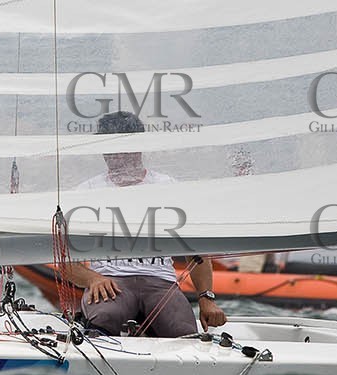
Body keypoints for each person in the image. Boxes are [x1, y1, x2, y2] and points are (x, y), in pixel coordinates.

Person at [61, 110, 227, 337]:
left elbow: (196, 252)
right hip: (110, 281)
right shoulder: (86, 192)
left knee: (183, 331)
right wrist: (93, 279)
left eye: (121, 149)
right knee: (104, 318)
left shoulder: (169, 187)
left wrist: (206, 298)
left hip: (160, 283)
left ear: (138, 147)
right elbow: (65, 260)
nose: (114, 157)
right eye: (108, 150)